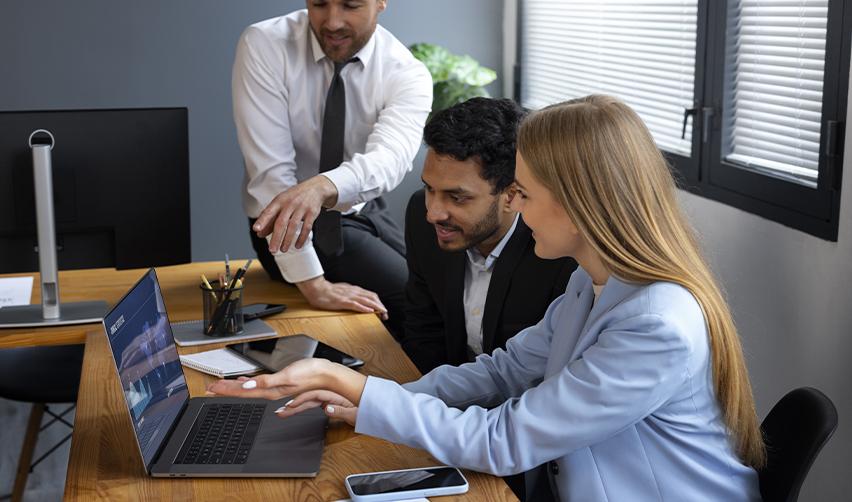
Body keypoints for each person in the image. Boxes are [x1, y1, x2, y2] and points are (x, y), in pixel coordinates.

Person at [210, 95, 766, 501]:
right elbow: (501, 372)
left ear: (580, 204)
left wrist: (356, 388)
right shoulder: (592, 283)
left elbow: (506, 440)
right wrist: (368, 401)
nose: (516, 210)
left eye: (523, 193)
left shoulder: (655, 326)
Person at [233, 0, 432, 337]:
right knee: (413, 305)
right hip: (285, 226)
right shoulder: (265, 44)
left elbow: (391, 158)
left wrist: (322, 186)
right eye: (319, 4)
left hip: (362, 210)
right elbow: (270, 175)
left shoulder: (405, 72)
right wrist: (314, 284)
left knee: (434, 288)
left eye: (351, 5)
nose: (332, 21)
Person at [402, 97, 575, 374]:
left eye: (457, 198)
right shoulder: (420, 217)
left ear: (511, 195)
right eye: (429, 189)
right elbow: (423, 328)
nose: (433, 213)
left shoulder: (557, 250)